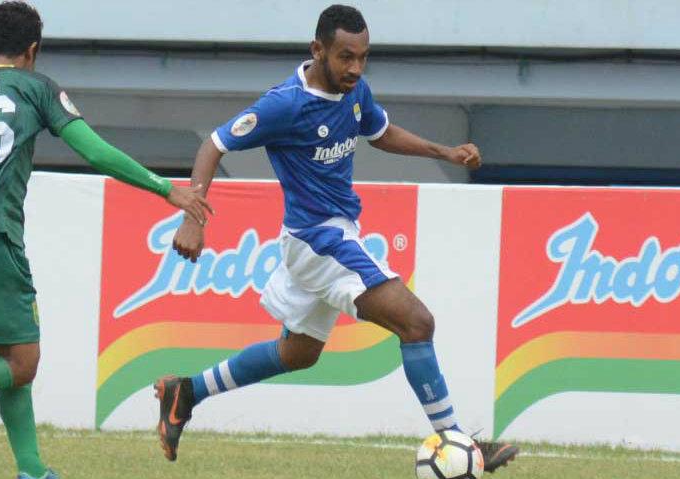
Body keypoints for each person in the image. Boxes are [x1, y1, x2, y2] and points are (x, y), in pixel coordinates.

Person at [156, 4, 518, 473]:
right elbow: (215, 144)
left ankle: (186, 390)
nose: (355, 68)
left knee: (298, 353)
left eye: (363, 57)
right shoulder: (284, 104)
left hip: (318, 238)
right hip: (319, 239)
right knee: (416, 322)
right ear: (318, 50)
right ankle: (458, 444)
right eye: (346, 57)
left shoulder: (354, 90)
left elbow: (380, 131)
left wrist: (443, 151)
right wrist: (194, 216)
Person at [0, 2, 212, 478]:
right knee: (23, 363)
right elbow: (92, 149)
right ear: (32, 51)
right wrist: (165, 188)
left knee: (14, 355)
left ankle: (32, 469)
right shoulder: (34, 89)